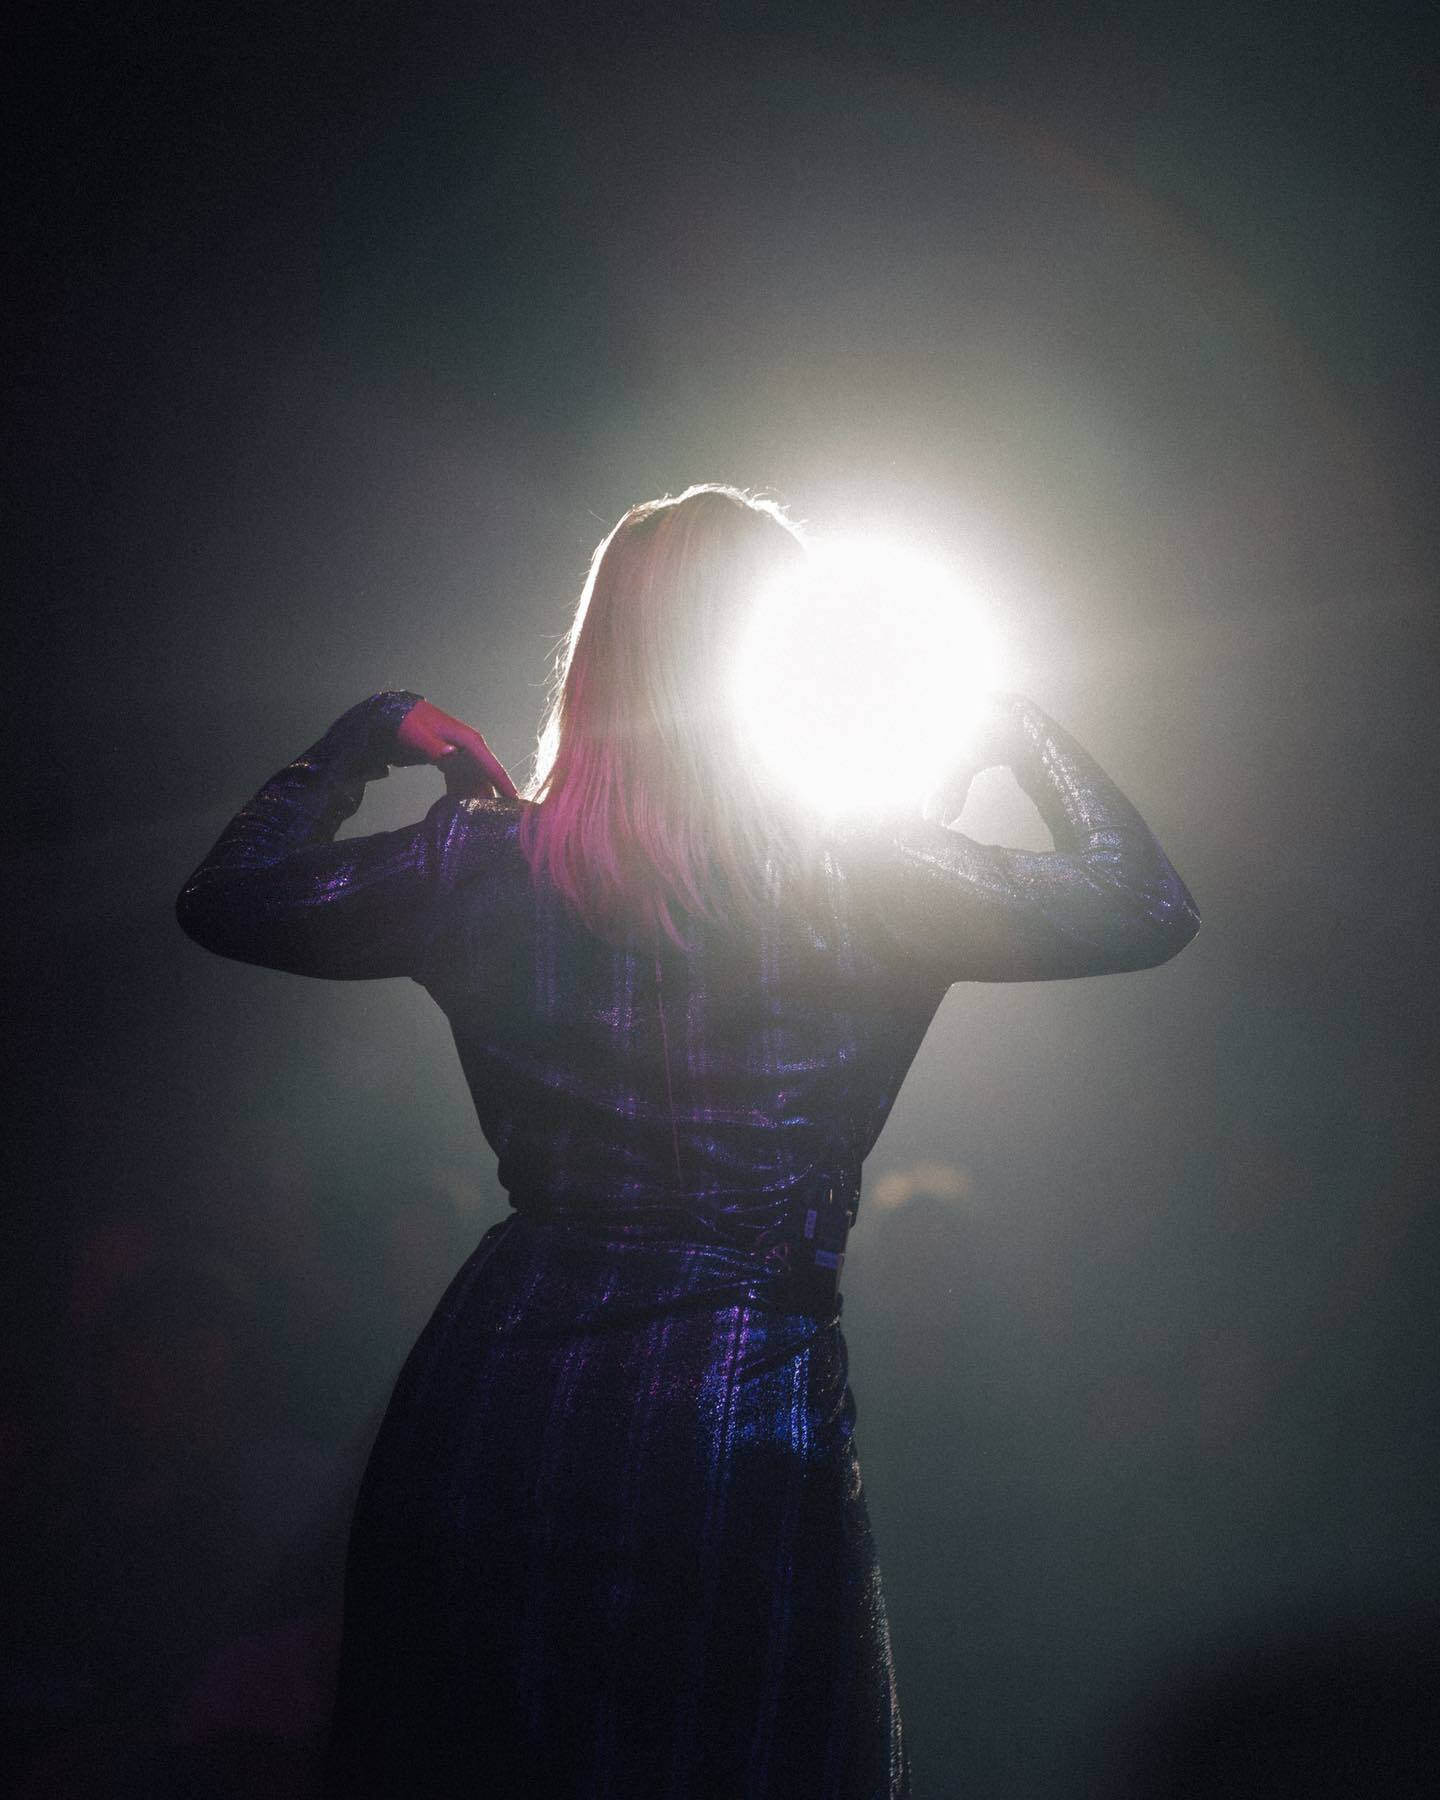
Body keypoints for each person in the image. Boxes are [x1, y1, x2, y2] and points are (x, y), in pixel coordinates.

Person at [175, 483, 1200, 1798]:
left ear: (599, 661)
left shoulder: (478, 866)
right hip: (743, 1410)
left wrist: (370, 732)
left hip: (504, 1402)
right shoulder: (877, 876)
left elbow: (228, 894)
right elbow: (1144, 902)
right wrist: (1008, 728)